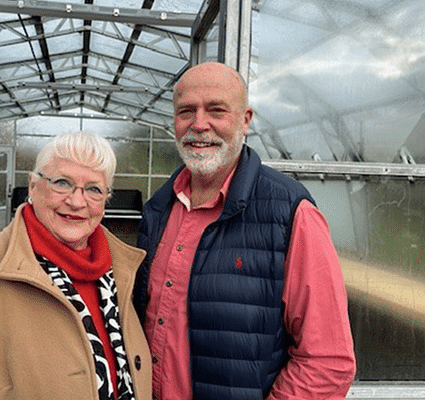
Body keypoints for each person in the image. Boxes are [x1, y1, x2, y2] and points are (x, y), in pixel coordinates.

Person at [133, 62, 356, 400]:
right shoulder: (160, 209)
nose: (199, 124)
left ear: (245, 120)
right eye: (186, 111)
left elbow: (328, 361)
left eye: (216, 110)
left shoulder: (289, 213)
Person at [0, 131, 152, 400]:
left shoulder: (123, 271)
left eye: (93, 189)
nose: (77, 201)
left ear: (106, 198)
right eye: (62, 183)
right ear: (33, 186)